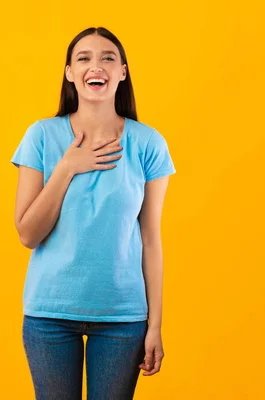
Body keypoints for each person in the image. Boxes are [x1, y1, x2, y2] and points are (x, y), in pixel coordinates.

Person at [10, 26, 176, 400]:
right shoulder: (41, 136)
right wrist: (67, 167)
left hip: (122, 317)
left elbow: (150, 239)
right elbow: (27, 234)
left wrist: (155, 325)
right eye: (83, 58)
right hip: (49, 314)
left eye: (107, 58)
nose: (95, 66)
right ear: (69, 72)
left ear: (122, 71)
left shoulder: (148, 143)